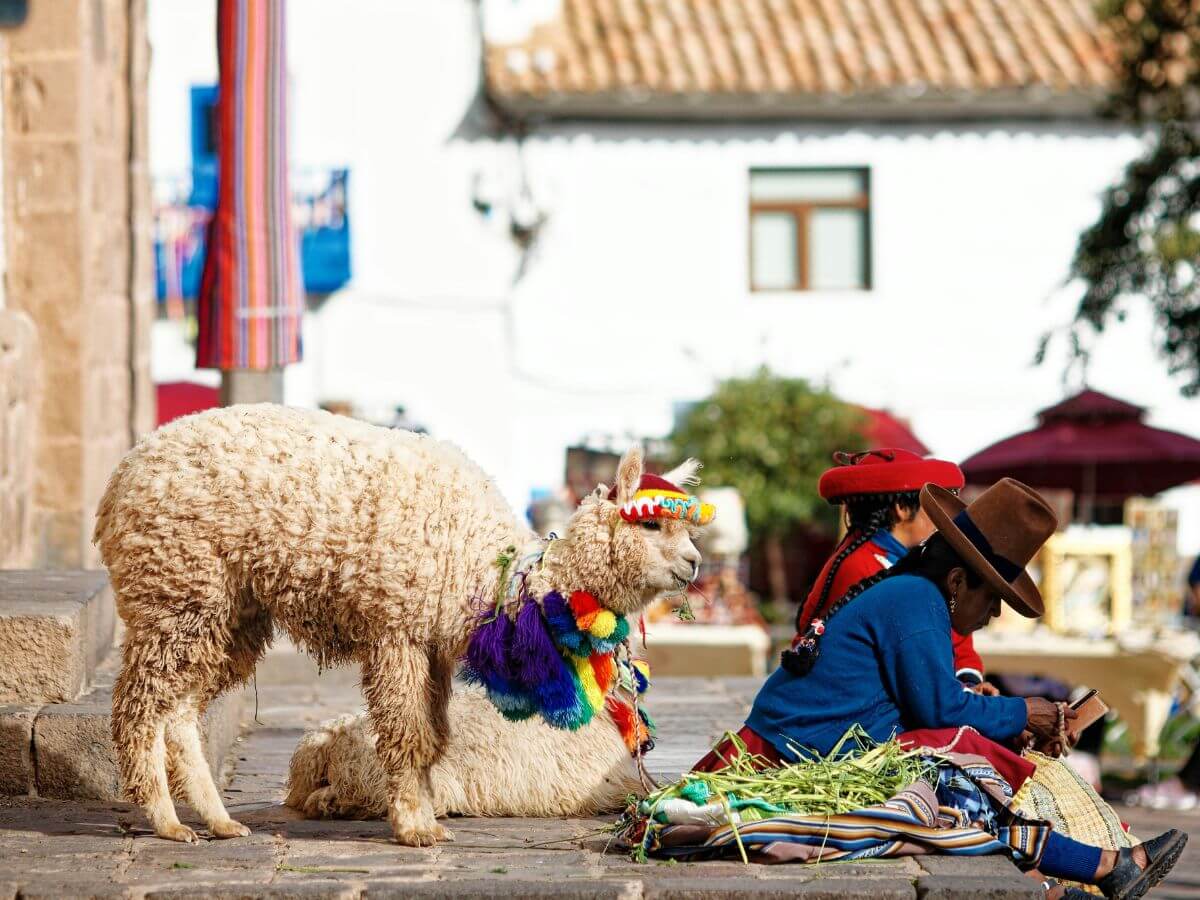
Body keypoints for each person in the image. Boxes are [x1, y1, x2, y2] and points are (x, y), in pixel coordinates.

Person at [700, 479, 1186, 899]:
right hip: (787, 755)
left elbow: (922, 709)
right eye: (992, 599)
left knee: (956, 762)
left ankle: (1083, 873)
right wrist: (1026, 714)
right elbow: (940, 710)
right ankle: (1098, 867)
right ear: (957, 580)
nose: (993, 615)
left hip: (817, 746)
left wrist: (1012, 725)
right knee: (954, 765)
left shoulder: (916, 595)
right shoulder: (916, 601)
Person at [783, 449, 988, 686]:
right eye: (935, 506)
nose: (944, 519)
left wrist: (969, 681)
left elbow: (956, 637)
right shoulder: (861, 567)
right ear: (901, 507)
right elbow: (908, 664)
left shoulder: (916, 560)